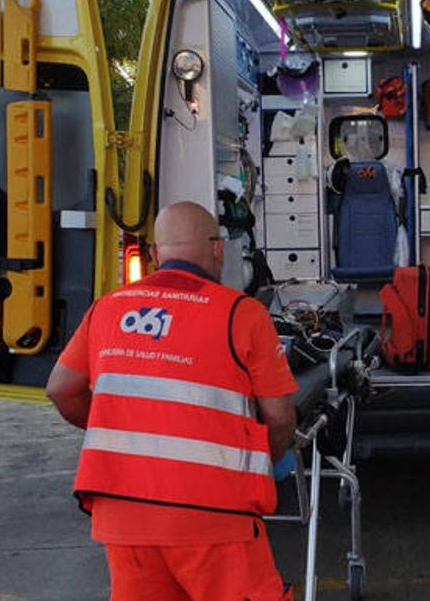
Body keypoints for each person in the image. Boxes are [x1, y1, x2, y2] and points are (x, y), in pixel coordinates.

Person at [46, 201, 298, 601]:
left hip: (124, 514)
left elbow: (60, 389)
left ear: (154, 253)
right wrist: (267, 459)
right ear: (217, 248)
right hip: (214, 514)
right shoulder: (241, 314)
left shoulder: (108, 307)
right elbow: (280, 417)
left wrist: (125, 429)